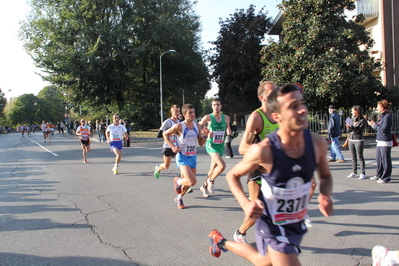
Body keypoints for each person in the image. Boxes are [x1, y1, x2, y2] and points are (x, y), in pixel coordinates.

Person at [208, 84, 333, 265]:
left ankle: (221, 242)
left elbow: (326, 177)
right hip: (272, 225)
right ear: (277, 117)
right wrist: (246, 204)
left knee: (262, 260)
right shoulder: (264, 151)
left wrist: (326, 194)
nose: (302, 110)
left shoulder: (317, 143)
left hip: (295, 225)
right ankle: (234, 236)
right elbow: (232, 175)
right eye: (293, 107)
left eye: (302, 104)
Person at [163, 103, 207, 209]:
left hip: (193, 157)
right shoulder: (179, 126)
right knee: (193, 181)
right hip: (182, 157)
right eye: (190, 113)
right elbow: (165, 134)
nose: (192, 114)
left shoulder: (197, 126)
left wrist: (205, 135)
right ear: (184, 114)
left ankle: (179, 198)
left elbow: (201, 143)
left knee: (188, 183)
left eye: (193, 112)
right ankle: (177, 181)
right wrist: (172, 146)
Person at [198, 98, 231, 197]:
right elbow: (198, 127)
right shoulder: (208, 117)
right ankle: (211, 181)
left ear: (221, 106)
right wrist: (205, 132)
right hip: (211, 145)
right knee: (222, 166)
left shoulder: (226, 118)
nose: (216, 107)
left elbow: (228, 127)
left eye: (218, 105)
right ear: (212, 106)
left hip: (220, 145)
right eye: (214, 105)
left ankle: (204, 187)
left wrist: (229, 131)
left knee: (212, 169)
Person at [368, 100, 393, 183]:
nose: (376, 108)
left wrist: (374, 125)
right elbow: (379, 128)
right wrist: (373, 124)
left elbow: (384, 130)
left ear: (382, 107)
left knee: (385, 160)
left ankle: (386, 177)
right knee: (379, 159)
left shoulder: (387, 117)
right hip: (379, 140)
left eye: (378, 106)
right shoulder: (382, 116)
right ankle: (379, 174)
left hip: (385, 141)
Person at [154, 105, 180, 179]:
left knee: (182, 164)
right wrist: (170, 134)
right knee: (166, 166)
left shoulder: (178, 122)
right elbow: (159, 134)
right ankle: (158, 168)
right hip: (168, 146)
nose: (177, 113)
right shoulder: (167, 122)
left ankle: (185, 184)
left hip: (176, 146)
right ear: (171, 112)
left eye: (178, 111)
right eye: (175, 111)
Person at [345, 105, 367, 180]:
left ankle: (362, 173)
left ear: (357, 111)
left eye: (353, 110)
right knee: (353, 157)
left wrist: (351, 127)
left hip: (358, 139)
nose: (352, 112)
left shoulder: (362, 120)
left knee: (360, 156)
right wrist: (348, 127)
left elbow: (359, 130)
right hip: (351, 139)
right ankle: (354, 172)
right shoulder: (352, 119)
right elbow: (349, 131)